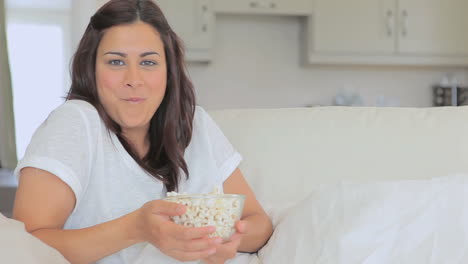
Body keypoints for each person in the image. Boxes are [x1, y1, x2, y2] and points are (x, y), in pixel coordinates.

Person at [12, 0, 273, 263]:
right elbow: (26, 243)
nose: (133, 79)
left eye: (148, 63)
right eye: (116, 62)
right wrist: (136, 228)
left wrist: (223, 237)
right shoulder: (75, 122)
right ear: (91, 69)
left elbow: (259, 223)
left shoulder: (195, 123)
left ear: (169, 72)